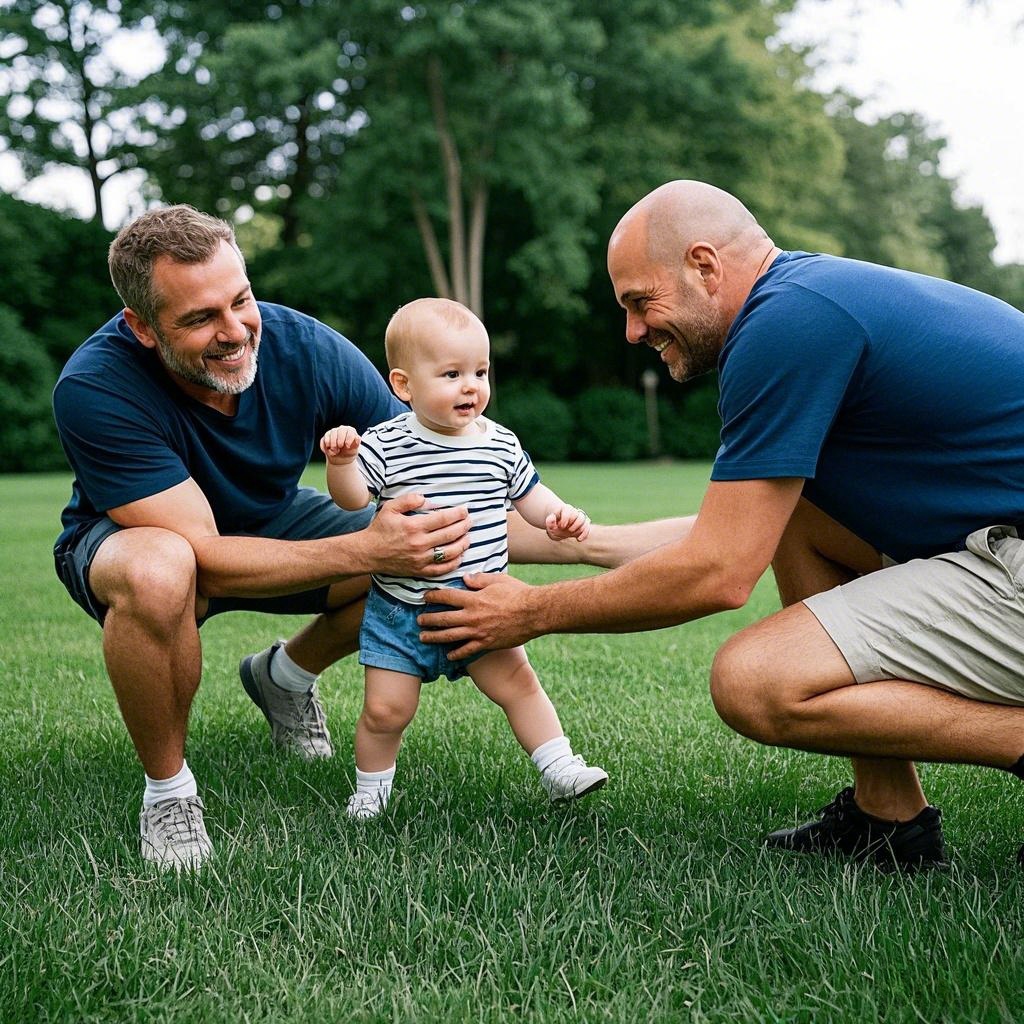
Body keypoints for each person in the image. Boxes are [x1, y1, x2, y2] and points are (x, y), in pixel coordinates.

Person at [419, 179, 1024, 872]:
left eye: (640, 302)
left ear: (705, 266)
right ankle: (890, 821)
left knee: (755, 682)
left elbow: (719, 570)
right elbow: (737, 528)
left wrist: (528, 612)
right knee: (802, 514)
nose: (633, 331)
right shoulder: (808, 299)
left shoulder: (784, 326)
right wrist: (559, 540)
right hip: (998, 550)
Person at [52, 205, 679, 870]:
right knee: (163, 571)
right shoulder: (96, 385)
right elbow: (204, 557)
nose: (236, 331)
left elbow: (435, 493)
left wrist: (593, 542)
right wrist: (369, 549)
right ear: (142, 327)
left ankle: (283, 677)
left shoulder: (305, 349)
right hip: (139, 537)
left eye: (241, 300)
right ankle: (169, 792)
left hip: (274, 517)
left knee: (410, 556)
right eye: (201, 318)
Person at [320, 298, 608, 819]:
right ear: (403, 386)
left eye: (480, 371)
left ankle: (560, 766)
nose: (471, 385)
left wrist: (558, 516)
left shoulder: (499, 443)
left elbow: (531, 497)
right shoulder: (387, 443)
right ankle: (370, 792)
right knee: (386, 711)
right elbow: (353, 499)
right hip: (398, 613)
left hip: (479, 605)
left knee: (518, 685)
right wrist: (341, 462)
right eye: (452, 374)